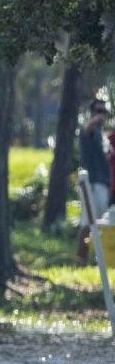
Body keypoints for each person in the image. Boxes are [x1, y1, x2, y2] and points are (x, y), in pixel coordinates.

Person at [77, 97, 110, 262]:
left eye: (103, 111)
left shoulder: (101, 133)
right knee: (87, 221)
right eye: (98, 111)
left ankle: (98, 261)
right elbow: (87, 128)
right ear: (92, 112)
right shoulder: (89, 129)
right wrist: (95, 120)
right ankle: (80, 260)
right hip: (91, 183)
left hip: (101, 183)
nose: (101, 115)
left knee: (100, 223)